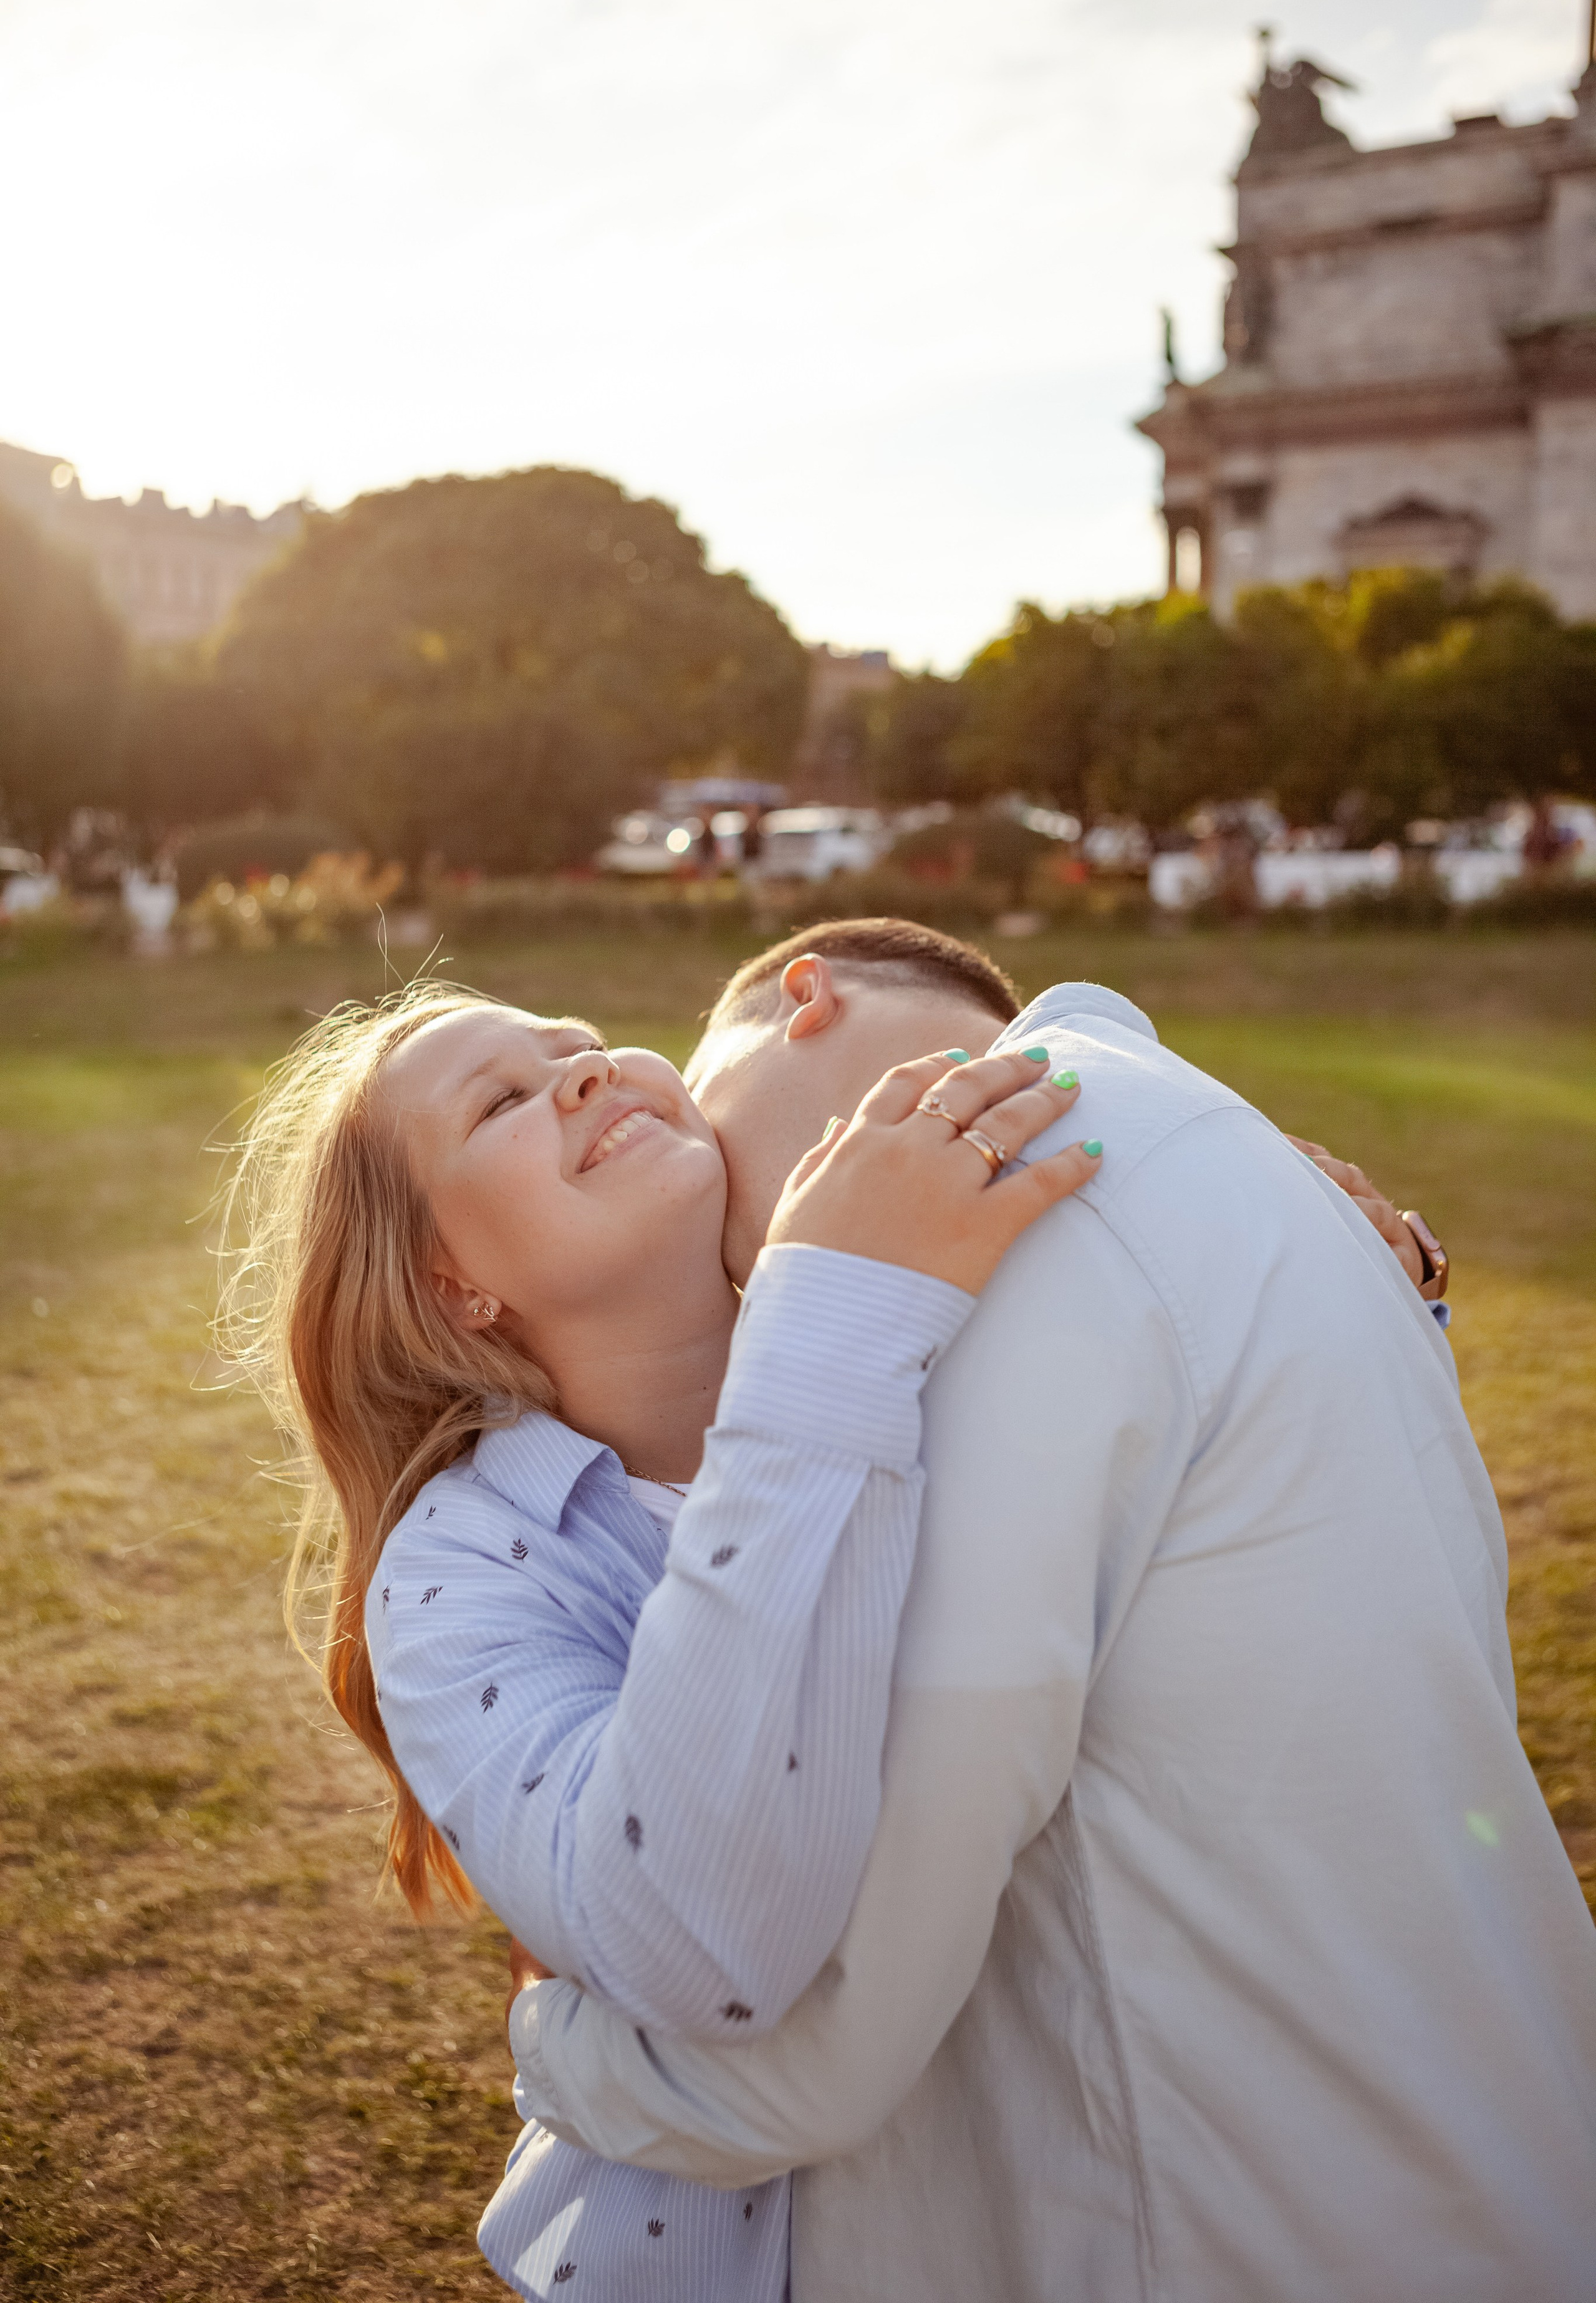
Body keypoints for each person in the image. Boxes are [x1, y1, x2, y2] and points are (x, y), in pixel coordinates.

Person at [497, 919, 1596, 2302]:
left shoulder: (996, 1223)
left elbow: (836, 2023)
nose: (734, 1260)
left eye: (712, 1163)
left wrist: (558, 2043)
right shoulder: (1236, 1155)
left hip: (1226, 2216)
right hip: (1492, 2149)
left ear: (804, 998)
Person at [218, 968, 1102, 2302]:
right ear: (453, 1287)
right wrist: (828, 1325)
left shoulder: (942, 1331)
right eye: (504, 1100)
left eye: (579, 1039)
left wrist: (1355, 1261)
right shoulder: (464, 1577)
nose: (585, 1067)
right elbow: (696, 1950)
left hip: (1040, 2207)